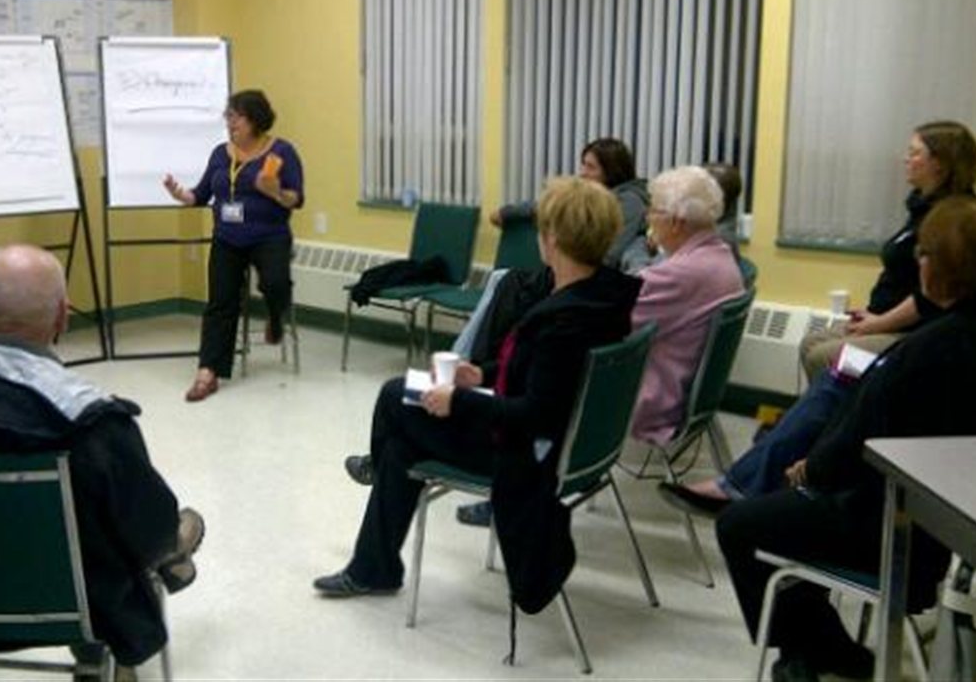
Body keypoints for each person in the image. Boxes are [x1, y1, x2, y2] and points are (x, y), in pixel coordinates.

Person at [314, 178, 640, 634]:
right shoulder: (603, 297)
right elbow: (542, 381)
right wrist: (482, 374)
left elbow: (534, 413)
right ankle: (374, 561)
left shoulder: (563, 319)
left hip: (524, 455)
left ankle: (375, 559)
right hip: (561, 447)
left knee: (394, 399)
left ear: (552, 239)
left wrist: (460, 399)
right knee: (402, 447)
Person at [0, 244, 204, 674]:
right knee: (158, 532)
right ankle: (172, 563)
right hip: (72, 611)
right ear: (62, 317)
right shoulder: (93, 423)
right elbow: (147, 533)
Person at [716, 197, 976, 682]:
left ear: (943, 268)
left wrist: (812, 468)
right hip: (959, 526)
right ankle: (821, 645)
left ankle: (809, 648)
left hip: (897, 527)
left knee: (741, 523)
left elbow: (855, 447)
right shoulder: (953, 337)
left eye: (923, 255)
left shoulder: (927, 352)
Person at [798, 121, 976, 381]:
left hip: (914, 332)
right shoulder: (921, 207)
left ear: (939, 164)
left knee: (824, 356)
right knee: (810, 343)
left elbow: (929, 295)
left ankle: (847, 417)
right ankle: (831, 415)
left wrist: (879, 324)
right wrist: (875, 316)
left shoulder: (953, 217)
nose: (905, 159)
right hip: (886, 319)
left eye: (915, 153)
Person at [163, 89, 304, 402]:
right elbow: (200, 195)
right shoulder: (219, 153)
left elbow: (296, 199)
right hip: (227, 237)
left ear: (254, 119)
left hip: (269, 235)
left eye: (234, 117)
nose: (229, 123)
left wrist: (275, 191)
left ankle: (275, 315)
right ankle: (208, 372)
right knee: (220, 303)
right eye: (227, 117)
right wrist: (180, 194)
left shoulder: (281, 152)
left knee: (275, 282)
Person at [628, 166, 746, 445]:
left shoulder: (679, 275)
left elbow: (609, 319)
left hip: (654, 402)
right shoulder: (720, 258)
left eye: (653, 211)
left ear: (677, 222)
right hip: (684, 395)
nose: (648, 218)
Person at [490, 137, 650, 271]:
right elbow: (552, 203)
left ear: (612, 171)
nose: (582, 173)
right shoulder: (592, 195)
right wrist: (507, 213)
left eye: (591, 167)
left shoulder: (630, 202)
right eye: (583, 164)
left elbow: (607, 255)